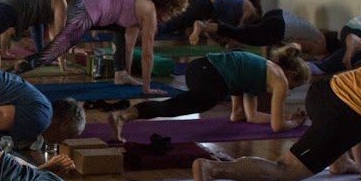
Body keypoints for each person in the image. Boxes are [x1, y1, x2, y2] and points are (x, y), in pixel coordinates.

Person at [187, 60, 361, 181]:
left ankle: (341, 163)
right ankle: (212, 169)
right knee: (283, 174)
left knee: (352, 126)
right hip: (342, 112)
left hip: (324, 91)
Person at [13, 0, 188, 96]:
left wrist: (126, 74)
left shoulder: (138, 10)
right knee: (57, 49)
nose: (168, 18)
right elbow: (147, 53)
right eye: (171, 13)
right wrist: (147, 88)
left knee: (120, 32)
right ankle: (13, 72)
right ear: (166, 7)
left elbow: (128, 47)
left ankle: (121, 75)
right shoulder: (148, 9)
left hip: (89, 7)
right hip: (85, 8)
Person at [109, 46, 310, 142]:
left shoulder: (261, 72)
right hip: (211, 76)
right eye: (294, 85)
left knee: (179, 104)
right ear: (291, 74)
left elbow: (243, 115)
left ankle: (124, 116)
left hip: (199, 68)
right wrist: (294, 123)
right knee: (174, 106)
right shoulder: (281, 80)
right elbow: (277, 127)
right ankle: (123, 117)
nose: (290, 90)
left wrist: (284, 118)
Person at [190, 9, 337, 59]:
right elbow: (295, 47)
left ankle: (212, 28)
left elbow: (274, 40)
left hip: (278, 15)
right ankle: (204, 26)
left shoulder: (318, 34)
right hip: (280, 25)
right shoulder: (320, 46)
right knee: (242, 34)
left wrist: (267, 61)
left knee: (252, 36)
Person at [158, 0, 258, 38]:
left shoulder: (237, 6)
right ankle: (147, 33)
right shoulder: (251, 11)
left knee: (179, 27)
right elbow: (237, 33)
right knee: (172, 25)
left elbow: (216, 27)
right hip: (205, 2)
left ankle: (151, 32)